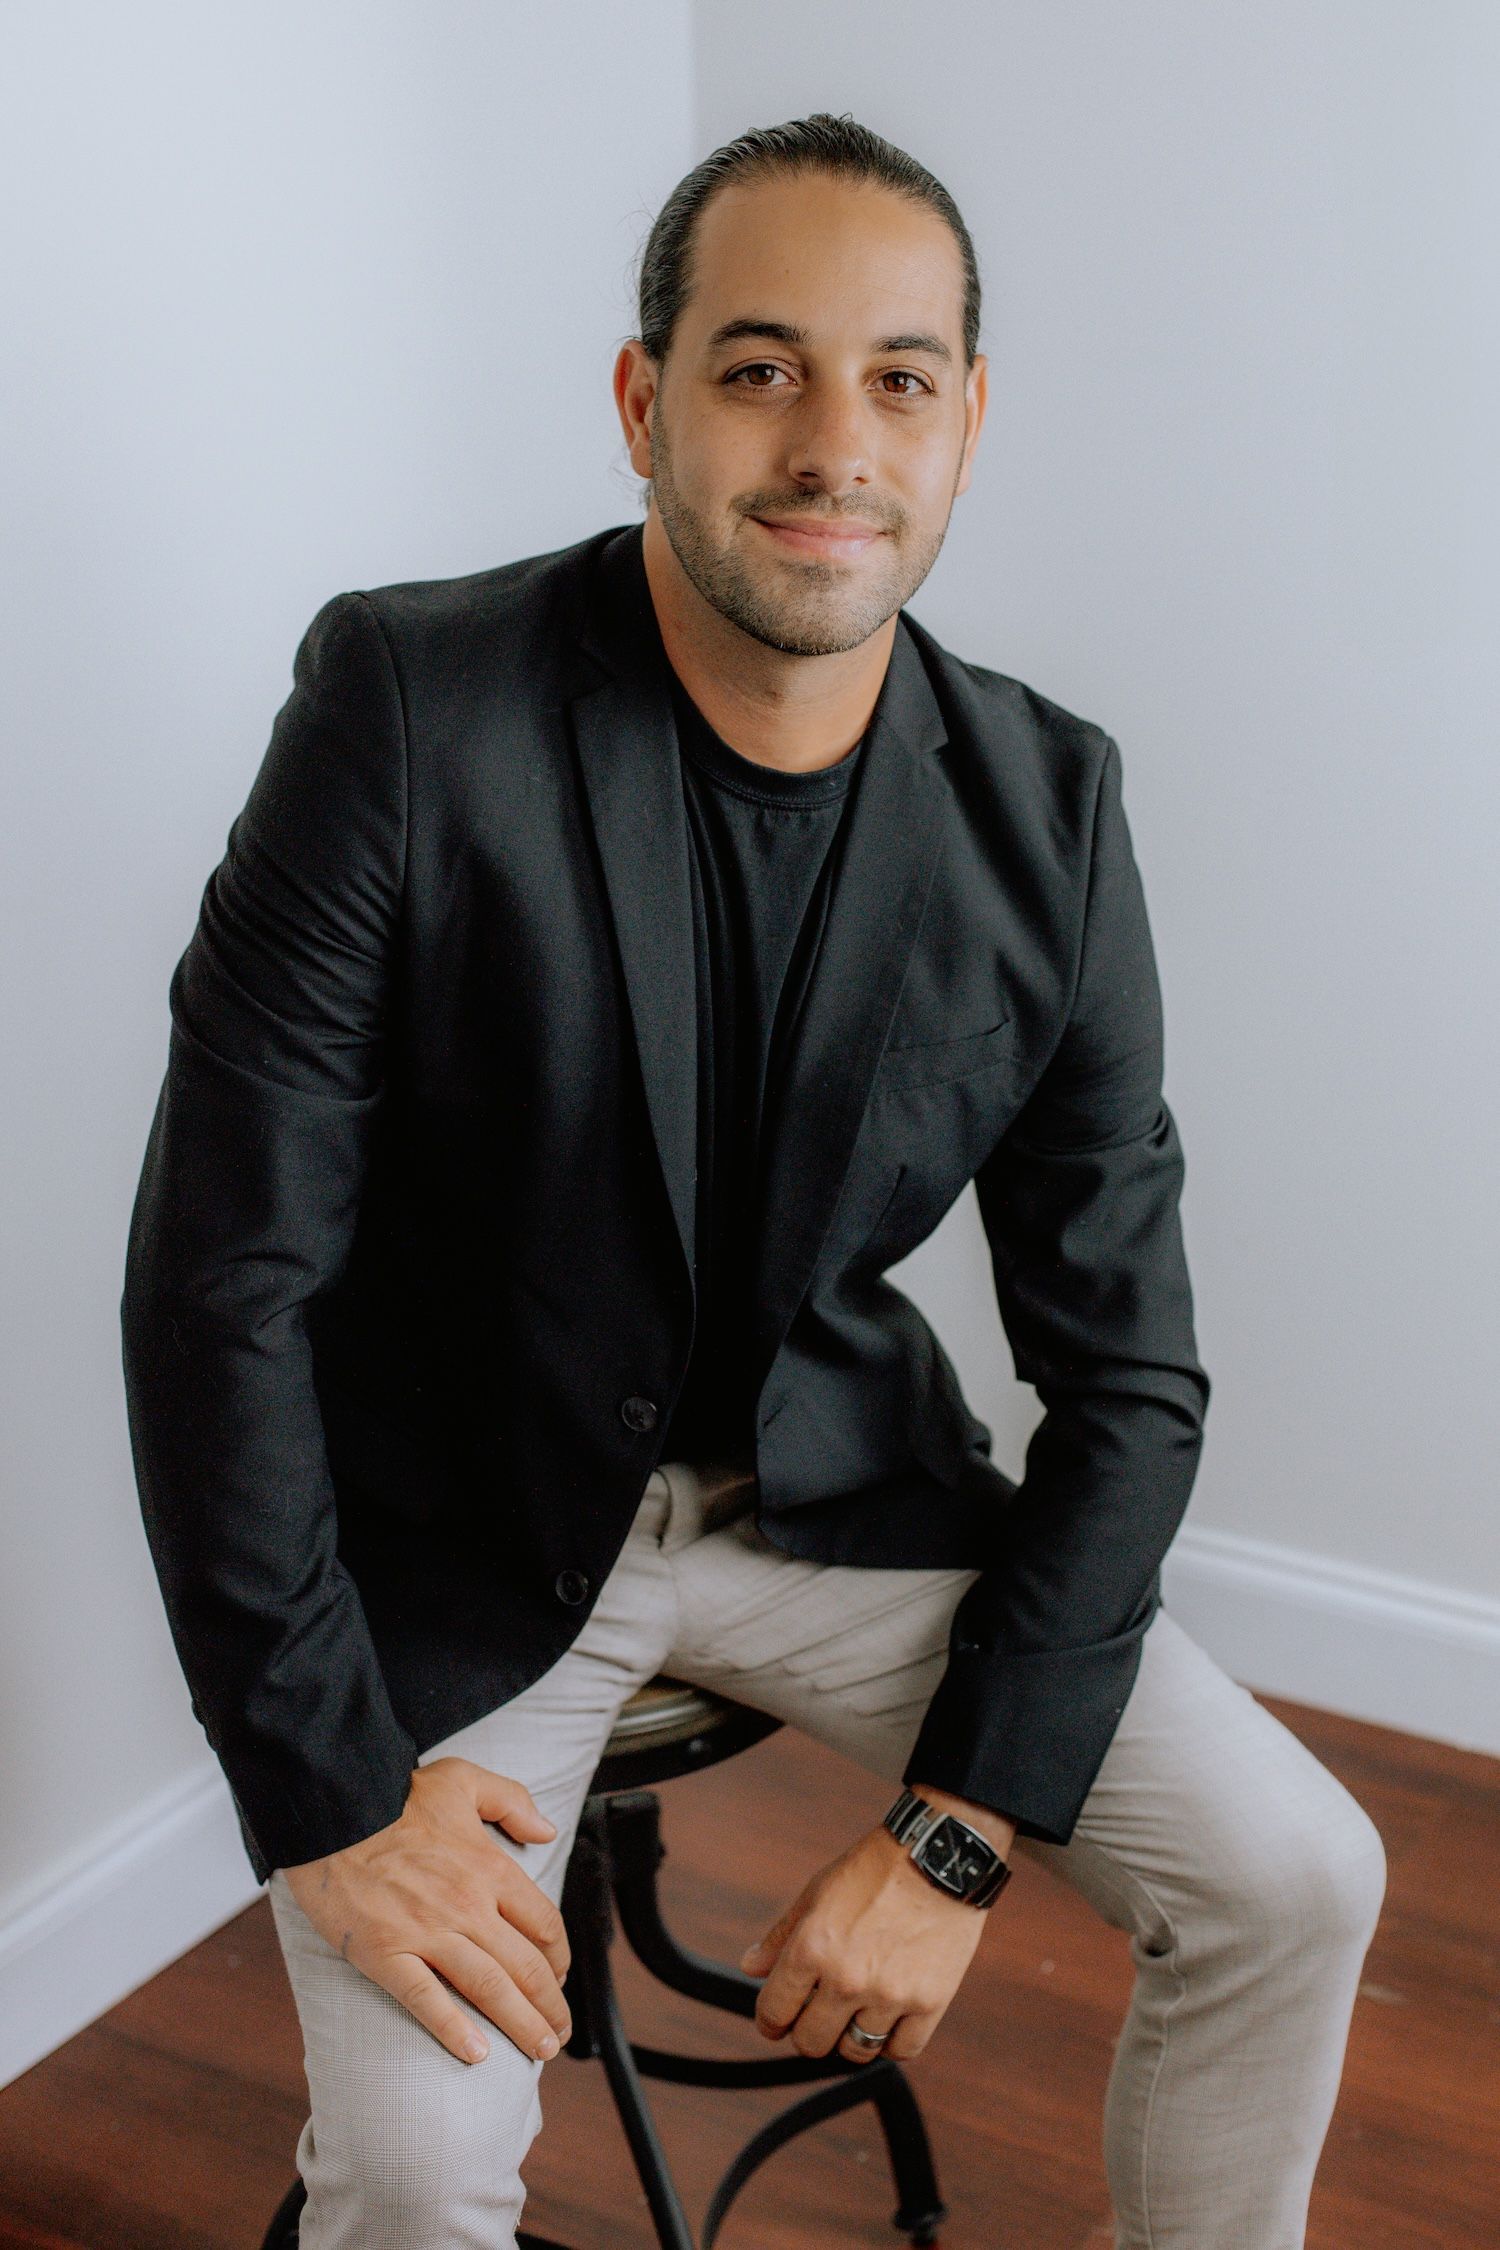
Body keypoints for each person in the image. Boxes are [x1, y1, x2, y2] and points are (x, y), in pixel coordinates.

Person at [121, 112, 1387, 2249]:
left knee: (1306, 1877)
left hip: (837, 1506)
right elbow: (218, 1286)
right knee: (420, 2168)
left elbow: (1133, 1379)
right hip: (464, 1538)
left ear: (968, 424)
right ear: (646, 400)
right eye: (758, 365)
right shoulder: (410, 708)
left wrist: (957, 1834)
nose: (832, 442)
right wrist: (325, 1797)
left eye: (900, 377)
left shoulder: (1048, 809)